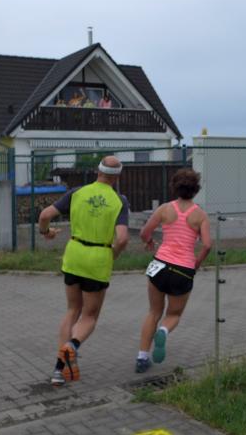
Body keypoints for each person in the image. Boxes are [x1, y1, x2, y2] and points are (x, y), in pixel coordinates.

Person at [38, 155, 130, 386]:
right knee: (89, 316)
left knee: (72, 310)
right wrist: (113, 254)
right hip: (98, 260)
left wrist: (46, 233)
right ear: (118, 177)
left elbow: (45, 215)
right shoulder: (119, 201)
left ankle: (58, 371)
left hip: (74, 255)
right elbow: (122, 238)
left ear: (98, 172)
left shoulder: (77, 192)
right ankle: (72, 345)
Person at [135, 168, 211, 373]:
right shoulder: (200, 215)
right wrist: (197, 263)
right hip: (183, 269)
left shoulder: (164, 209)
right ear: (196, 189)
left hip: (160, 264)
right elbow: (207, 245)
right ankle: (164, 330)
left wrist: (149, 241)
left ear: (174, 187)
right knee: (174, 314)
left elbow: (144, 232)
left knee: (153, 312)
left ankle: (142, 357)